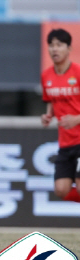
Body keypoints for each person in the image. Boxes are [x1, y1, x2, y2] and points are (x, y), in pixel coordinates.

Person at [41, 28, 80, 204]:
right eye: (51, 45)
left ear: (69, 48)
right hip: (66, 143)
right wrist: (48, 115)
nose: (54, 49)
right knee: (61, 190)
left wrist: (76, 119)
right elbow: (50, 98)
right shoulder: (46, 75)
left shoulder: (78, 73)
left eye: (59, 45)